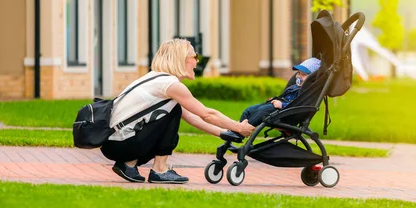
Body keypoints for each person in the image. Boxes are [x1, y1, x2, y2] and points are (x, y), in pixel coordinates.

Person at [101, 39, 254, 184]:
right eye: (194, 56)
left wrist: (224, 133)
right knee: (174, 113)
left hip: (113, 144)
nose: (197, 61)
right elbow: (206, 114)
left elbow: (192, 117)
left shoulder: (156, 79)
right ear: (180, 59)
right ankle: (160, 170)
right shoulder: (170, 85)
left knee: (175, 112)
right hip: (122, 144)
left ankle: (128, 164)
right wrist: (238, 127)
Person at [220, 57, 321, 141]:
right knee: (249, 110)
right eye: (298, 73)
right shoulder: (295, 87)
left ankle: (241, 132)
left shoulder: (306, 92)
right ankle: (236, 132)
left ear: (312, 79)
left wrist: (282, 105)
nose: (299, 76)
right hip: (278, 107)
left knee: (262, 111)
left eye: (304, 75)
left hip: (287, 113)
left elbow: (300, 106)